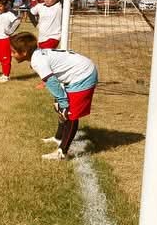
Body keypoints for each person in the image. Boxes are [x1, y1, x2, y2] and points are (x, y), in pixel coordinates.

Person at [10, 32, 98, 160]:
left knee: (70, 114)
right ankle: (58, 137)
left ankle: (62, 152)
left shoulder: (37, 61)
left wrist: (64, 103)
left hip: (83, 74)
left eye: (13, 52)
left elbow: (51, 82)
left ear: (23, 52)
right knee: (60, 107)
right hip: (77, 73)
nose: (11, 54)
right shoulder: (37, 55)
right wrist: (61, 102)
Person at [0, 0, 21, 82]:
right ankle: (4, 74)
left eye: (0, 6)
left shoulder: (9, 14)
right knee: (1, 58)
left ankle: (6, 76)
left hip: (4, 39)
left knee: (6, 58)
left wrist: (10, 31)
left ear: (5, 6)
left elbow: (17, 21)